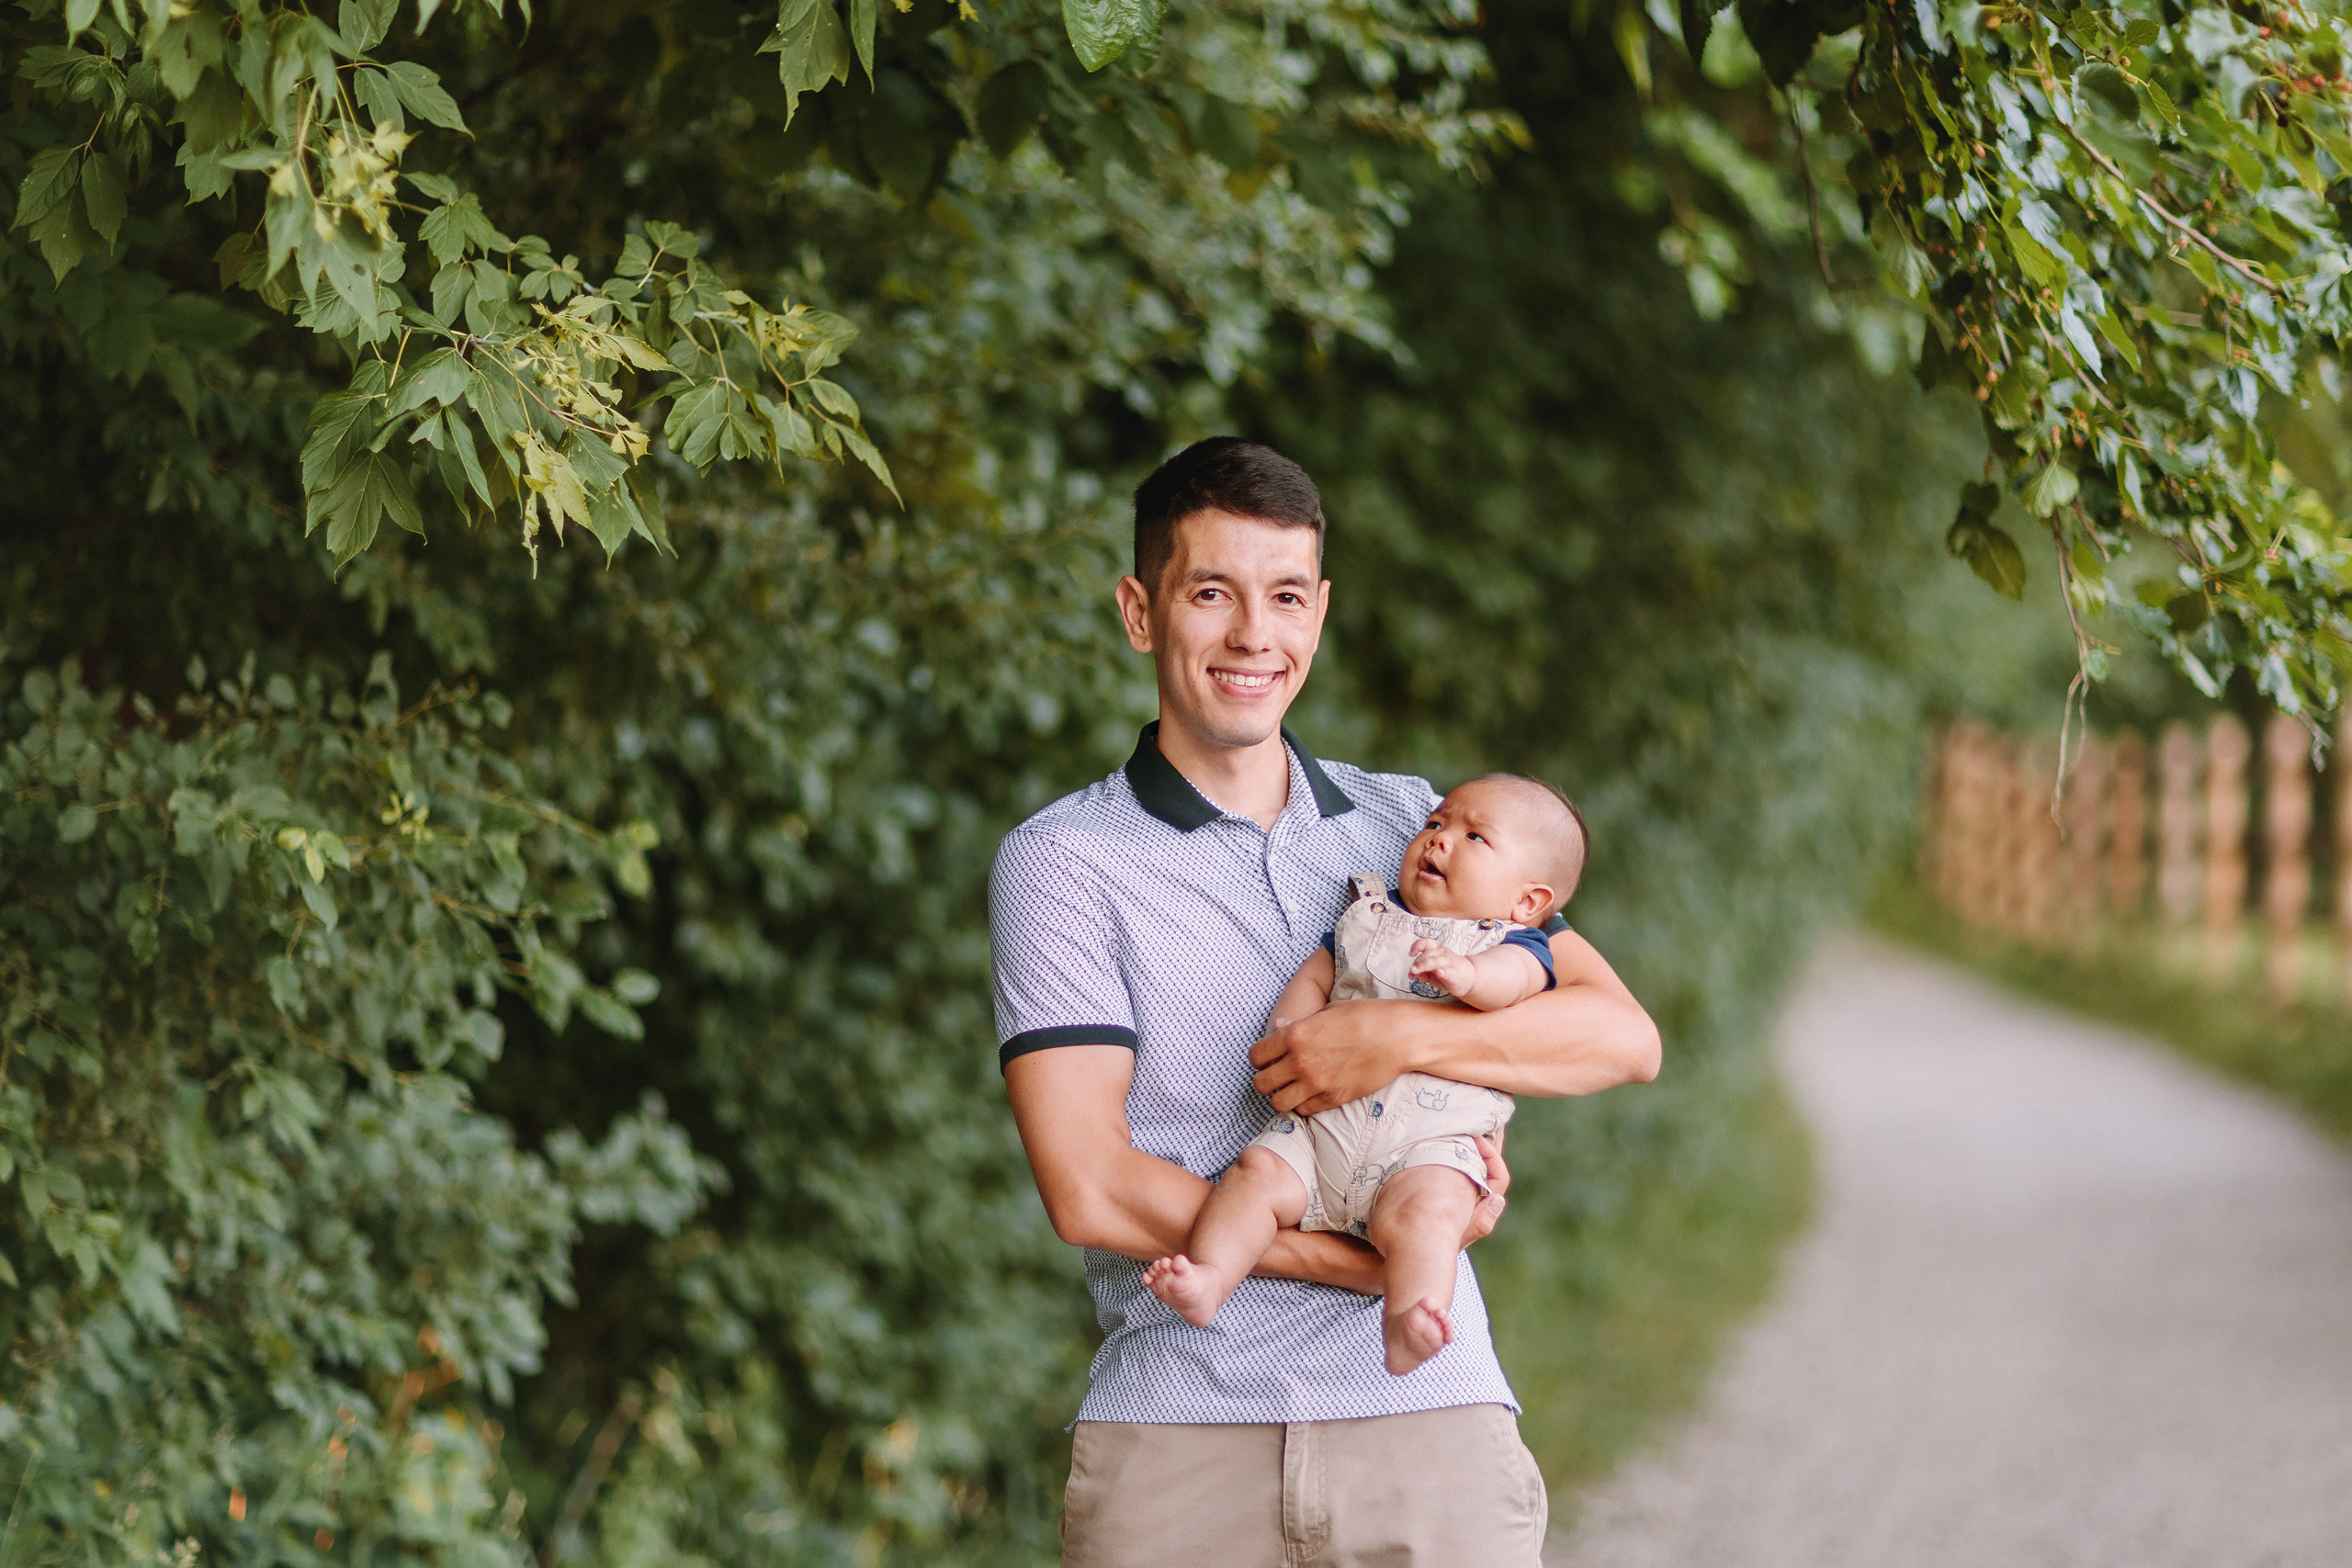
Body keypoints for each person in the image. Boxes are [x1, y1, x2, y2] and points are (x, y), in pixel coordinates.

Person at [989, 436, 1660, 1568]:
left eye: (1286, 596)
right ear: (1140, 611)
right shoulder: (1062, 861)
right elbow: (1090, 1188)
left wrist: (1390, 1032)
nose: (1255, 635)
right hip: (1181, 1434)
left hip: (1426, 1421)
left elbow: (1619, 1035)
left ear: (1320, 612)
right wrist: (1362, 1266)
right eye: (1212, 592)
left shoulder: (1416, 827)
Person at [1143, 773, 1588, 1377]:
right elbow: (1319, 970)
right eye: (1435, 824)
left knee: (1430, 1216)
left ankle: (1408, 1317)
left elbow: (1512, 984)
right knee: (1253, 1174)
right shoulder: (1366, 914)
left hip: (1425, 1147)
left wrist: (1467, 977)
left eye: (1475, 836)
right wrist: (1292, 1020)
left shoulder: (1515, 944)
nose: (1439, 840)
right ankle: (1210, 1278)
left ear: (1528, 901)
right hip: (1320, 1132)